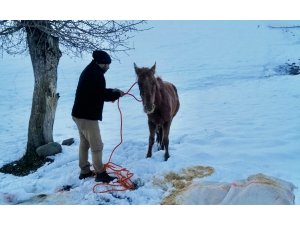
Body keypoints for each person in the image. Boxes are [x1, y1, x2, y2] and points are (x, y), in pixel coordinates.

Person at [72, 50, 125, 183]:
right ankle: (100, 173)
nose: (108, 67)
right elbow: (99, 94)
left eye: (108, 64)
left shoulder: (90, 71)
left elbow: (96, 92)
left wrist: (113, 92)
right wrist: (115, 95)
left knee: (84, 143)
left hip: (78, 114)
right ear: (99, 63)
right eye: (106, 64)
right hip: (87, 117)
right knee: (97, 146)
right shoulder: (96, 75)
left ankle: (84, 171)